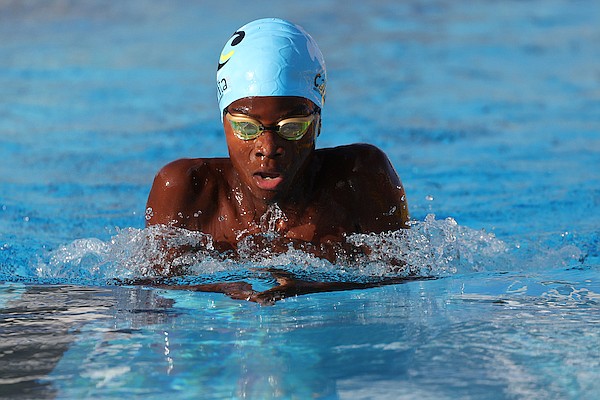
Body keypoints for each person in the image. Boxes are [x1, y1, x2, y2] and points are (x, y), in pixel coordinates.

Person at [144, 18, 410, 304]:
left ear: (318, 123)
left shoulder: (359, 179)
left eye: (292, 127)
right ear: (223, 122)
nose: (268, 148)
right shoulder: (187, 190)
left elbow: (403, 284)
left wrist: (313, 287)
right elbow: (153, 298)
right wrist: (219, 289)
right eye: (246, 127)